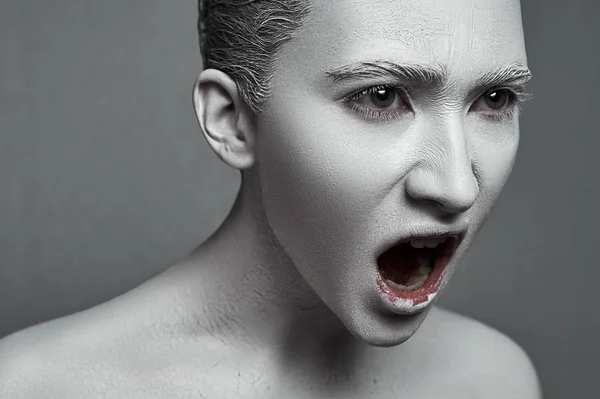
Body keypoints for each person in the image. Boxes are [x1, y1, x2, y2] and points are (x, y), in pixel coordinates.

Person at [0, 0, 541, 397]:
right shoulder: (33, 387)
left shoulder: (496, 380)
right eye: (381, 96)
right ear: (230, 121)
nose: (457, 186)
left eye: (495, 99)